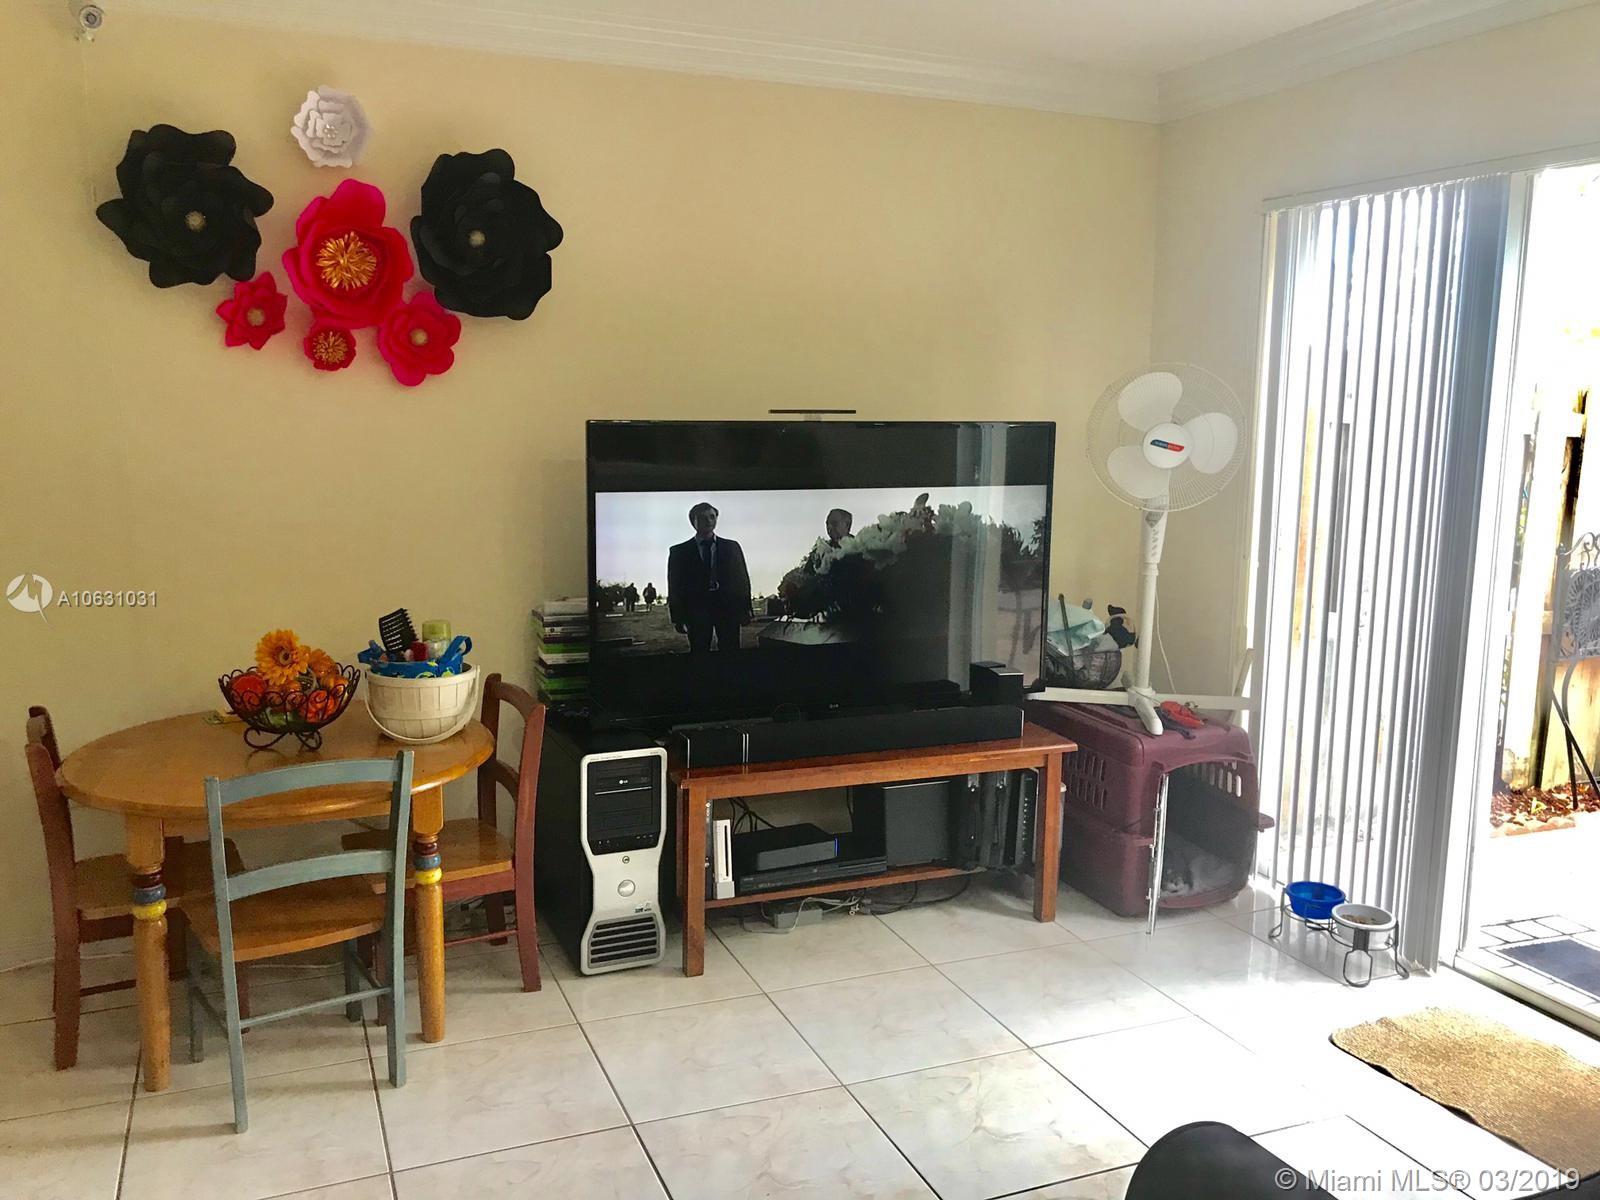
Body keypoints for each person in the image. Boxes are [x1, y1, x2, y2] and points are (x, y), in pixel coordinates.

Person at [667, 502, 752, 652]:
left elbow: (742, 579)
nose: (708, 521)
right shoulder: (679, 551)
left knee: (731, 649)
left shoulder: (731, 547)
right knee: (699, 650)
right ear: (693, 521)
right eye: (702, 518)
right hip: (697, 609)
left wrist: (746, 608)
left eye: (712, 517)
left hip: (727, 607)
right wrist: (678, 617)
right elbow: (675, 586)